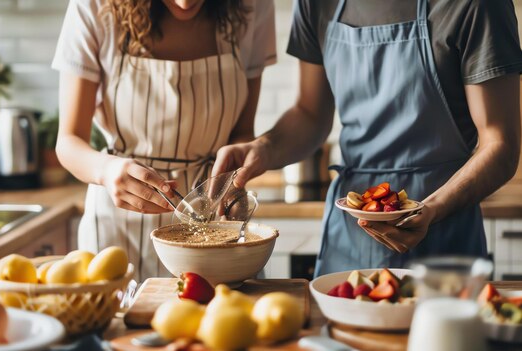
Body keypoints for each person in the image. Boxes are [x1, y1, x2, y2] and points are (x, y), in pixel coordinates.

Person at [213, 0, 522, 276]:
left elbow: (500, 145)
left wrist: (432, 209)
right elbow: (310, 114)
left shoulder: (479, 5)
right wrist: (263, 148)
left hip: (445, 239)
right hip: (350, 243)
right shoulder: (316, 4)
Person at [52, 0, 276, 280]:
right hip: (118, 223)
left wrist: (232, 180)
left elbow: (243, 131)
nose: (185, 2)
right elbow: (69, 141)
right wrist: (106, 170)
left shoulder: (252, 6)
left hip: (212, 222)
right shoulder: (94, 7)